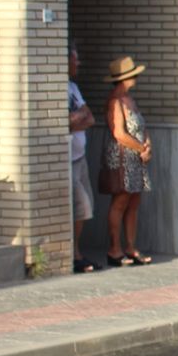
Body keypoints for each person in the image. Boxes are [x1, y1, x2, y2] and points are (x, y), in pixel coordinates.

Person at [100, 56, 153, 267]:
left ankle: (131, 247)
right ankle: (115, 249)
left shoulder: (130, 100)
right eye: (132, 75)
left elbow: (141, 126)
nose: (136, 78)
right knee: (120, 201)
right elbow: (119, 133)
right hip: (122, 157)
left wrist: (148, 145)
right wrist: (141, 148)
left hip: (137, 157)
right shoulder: (115, 101)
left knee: (133, 202)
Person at [67, 44, 98, 273]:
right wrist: (74, 119)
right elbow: (65, 122)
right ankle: (73, 254)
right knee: (81, 206)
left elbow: (90, 118)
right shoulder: (55, 87)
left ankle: (76, 251)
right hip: (65, 160)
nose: (78, 64)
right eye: (75, 59)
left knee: (86, 206)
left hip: (80, 157)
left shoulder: (73, 87)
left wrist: (75, 119)